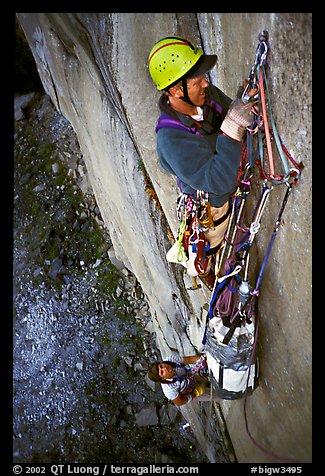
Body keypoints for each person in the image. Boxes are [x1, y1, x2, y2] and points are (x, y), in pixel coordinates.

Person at [147, 36, 256, 284]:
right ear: (175, 90)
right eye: (197, 81)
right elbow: (219, 182)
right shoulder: (171, 139)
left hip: (230, 171)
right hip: (215, 203)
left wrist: (244, 107)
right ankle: (213, 279)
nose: (206, 84)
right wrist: (231, 128)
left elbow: (231, 113)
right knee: (220, 257)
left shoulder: (204, 97)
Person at [148, 353, 220, 406]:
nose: (165, 368)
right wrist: (192, 395)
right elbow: (179, 402)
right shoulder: (169, 390)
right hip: (191, 390)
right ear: (162, 378)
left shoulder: (171, 359)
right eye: (162, 372)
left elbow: (190, 359)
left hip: (190, 375)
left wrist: (205, 360)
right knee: (217, 395)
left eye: (161, 366)